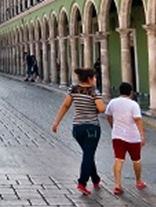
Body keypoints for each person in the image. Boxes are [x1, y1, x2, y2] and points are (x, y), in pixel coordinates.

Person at [52, 67, 107, 195]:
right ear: (89, 79)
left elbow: (66, 105)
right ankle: (82, 182)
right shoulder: (94, 91)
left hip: (77, 128)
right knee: (88, 155)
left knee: (88, 154)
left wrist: (56, 122)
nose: (95, 79)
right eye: (94, 77)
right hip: (91, 128)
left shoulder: (73, 89)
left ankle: (95, 179)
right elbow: (101, 108)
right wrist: (97, 109)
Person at [105, 82, 147, 195]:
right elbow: (138, 120)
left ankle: (117, 185)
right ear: (131, 92)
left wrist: (113, 126)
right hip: (133, 136)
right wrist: (142, 135)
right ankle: (138, 181)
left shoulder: (112, 102)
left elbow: (108, 116)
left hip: (117, 135)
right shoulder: (133, 104)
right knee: (136, 160)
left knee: (119, 159)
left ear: (119, 92)